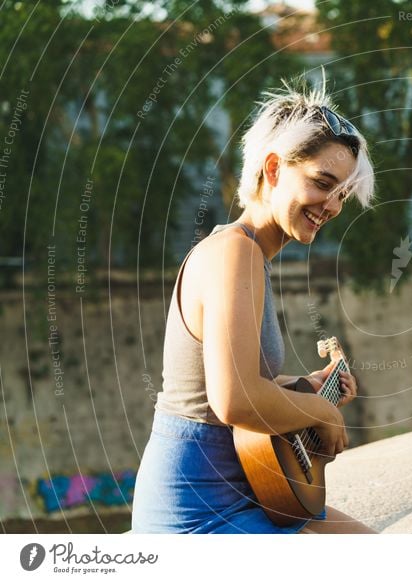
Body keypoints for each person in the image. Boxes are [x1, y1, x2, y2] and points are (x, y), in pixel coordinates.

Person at [131, 76, 376, 534]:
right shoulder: (235, 252)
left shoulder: (248, 255)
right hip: (196, 511)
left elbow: (225, 382)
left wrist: (304, 386)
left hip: (241, 491)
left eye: (342, 193)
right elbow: (234, 400)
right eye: (323, 183)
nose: (333, 205)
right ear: (274, 168)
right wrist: (323, 413)